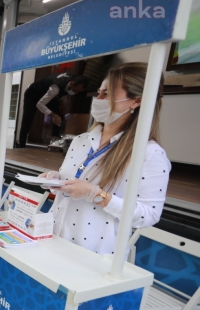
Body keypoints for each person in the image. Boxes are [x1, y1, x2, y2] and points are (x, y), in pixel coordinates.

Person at [40, 62, 170, 256]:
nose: (97, 99)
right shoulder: (80, 140)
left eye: (106, 94)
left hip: (97, 258)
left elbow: (148, 215)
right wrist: (55, 179)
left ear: (136, 101)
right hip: (55, 242)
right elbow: (75, 179)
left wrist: (96, 194)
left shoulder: (149, 154)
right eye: (98, 92)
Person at [17, 73, 89, 148]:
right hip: (33, 94)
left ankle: (55, 140)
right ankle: (21, 146)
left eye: (78, 92)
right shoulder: (56, 88)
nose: (75, 93)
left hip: (46, 93)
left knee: (59, 109)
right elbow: (40, 104)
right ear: (71, 83)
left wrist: (61, 103)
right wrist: (54, 115)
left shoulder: (73, 79)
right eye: (76, 90)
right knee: (27, 120)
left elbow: (61, 92)